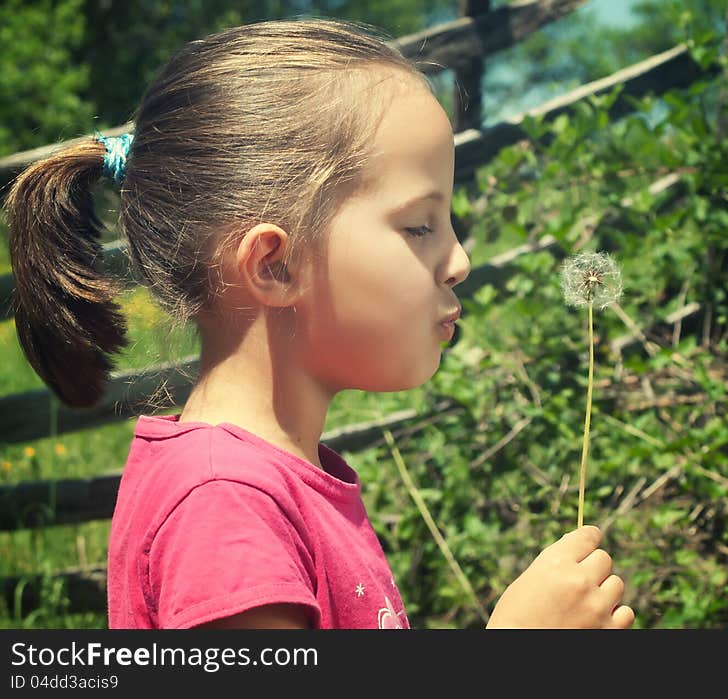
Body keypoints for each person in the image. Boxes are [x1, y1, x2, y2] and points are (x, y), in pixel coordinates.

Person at [4, 18, 635, 630]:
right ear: (275, 265)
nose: (461, 261)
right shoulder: (225, 506)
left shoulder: (273, 482)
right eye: (419, 225)